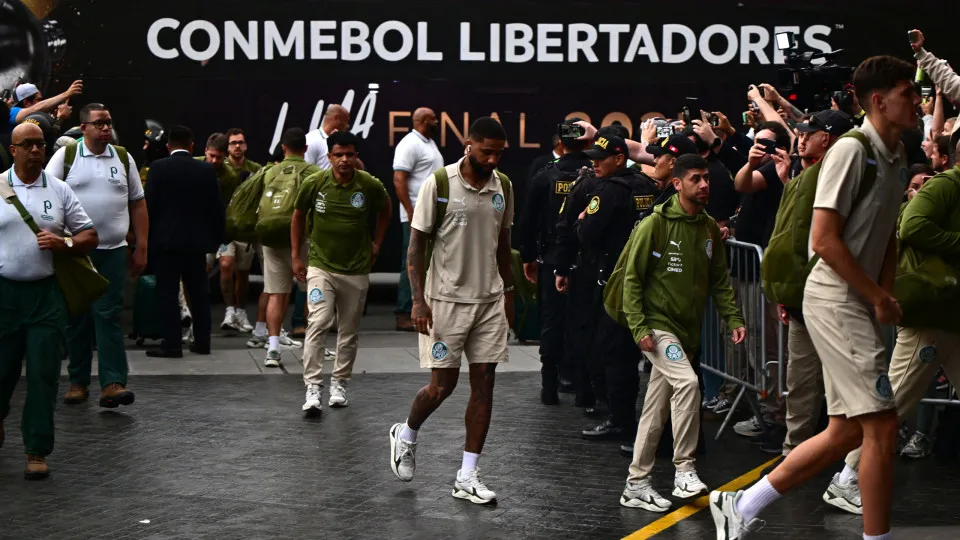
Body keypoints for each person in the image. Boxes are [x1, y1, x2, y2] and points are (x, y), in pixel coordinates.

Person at [711, 55, 921, 540]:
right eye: (907, 92)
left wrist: (883, 295)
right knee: (882, 427)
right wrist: (877, 296)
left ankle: (741, 505)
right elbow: (823, 241)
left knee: (846, 430)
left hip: (855, 301)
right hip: (835, 300)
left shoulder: (895, 158)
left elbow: (886, 237)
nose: (916, 100)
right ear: (878, 100)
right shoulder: (852, 151)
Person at [388, 117, 514, 505]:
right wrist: (418, 300)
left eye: (499, 153)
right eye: (486, 151)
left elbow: (503, 243)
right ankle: (406, 433)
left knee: (485, 384)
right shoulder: (440, 184)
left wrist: (509, 294)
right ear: (468, 145)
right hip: (445, 302)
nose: (493, 159)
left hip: (489, 302)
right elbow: (416, 245)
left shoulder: (504, 186)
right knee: (442, 387)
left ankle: (467, 475)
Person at [618, 154, 745, 511]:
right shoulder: (654, 224)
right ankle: (685, 470)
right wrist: (639, 326)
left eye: (707, 178)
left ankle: (636, 483)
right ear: (677, 184)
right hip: (658, 327)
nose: (704, 185)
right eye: (695, 179)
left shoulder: (708, 228)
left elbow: (719, 280)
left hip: (687, 332)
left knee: (655, 410)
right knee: (688, 384)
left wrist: (733, 318)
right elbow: (631, 279)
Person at [0, 122, 98, 479]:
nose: (36, 150)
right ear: (13, 150)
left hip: (46, 296)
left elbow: (90, 235)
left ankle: (36, 450)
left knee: (43, 375)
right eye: (28, 144)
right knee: (3, 371)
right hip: (5, 296)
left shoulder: (58, 189)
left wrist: (64, 243)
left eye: (40, 144)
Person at [578, 133, 684, 443]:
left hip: (616, 280)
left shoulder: (608, 190)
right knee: (634, 353)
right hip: (645, 279)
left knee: (615, 352)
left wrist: (582, 220)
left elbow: (588, 232)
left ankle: (620, 420)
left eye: (601, 158)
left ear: (619, 159)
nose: (595, 164)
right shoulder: (646, 186)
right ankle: (643, 423)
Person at [45, 103, 147, 407]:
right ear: (84, 127)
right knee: (77, 317)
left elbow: (138, 203)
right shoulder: (66, 157)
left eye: (109, 123)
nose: (106, 128)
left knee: (108, 315)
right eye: (99, 123)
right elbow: (46, 196)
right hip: (75, 254)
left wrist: (142, 246)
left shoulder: (123, 157)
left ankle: (113, 383)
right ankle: (78, 382)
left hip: (113, 252)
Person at [292, 131, 391, 411]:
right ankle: (313, 386)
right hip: (320, 266)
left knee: (348, 330)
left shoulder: (369, 184)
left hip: (356, 269)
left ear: (356, 156)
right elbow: (297, 216)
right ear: (329, 157)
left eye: (349, 154)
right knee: (318, 322)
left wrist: (377, 243)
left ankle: (339, 383)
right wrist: (295, 256)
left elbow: (386, 209)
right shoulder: (315, 183)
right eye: (338, 155)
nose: (344, 160)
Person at [517, 118, 592, 404]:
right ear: (587, 142)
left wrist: (527, 256)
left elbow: (527, 220)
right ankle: (583, 390)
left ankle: (549, 388)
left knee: (552, 322)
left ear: (560, 143)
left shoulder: (546, 174)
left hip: (552, 259)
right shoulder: (596, 174)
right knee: (584, 323)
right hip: (586, 261)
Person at [145, 125, 225, 358]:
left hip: (166, 242)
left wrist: (146, 240)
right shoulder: (205, 170)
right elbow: (216, 209)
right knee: (199, 293)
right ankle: (203, 341)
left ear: (168, 145)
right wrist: (215, 240)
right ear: (192, 146)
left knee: (168, 293)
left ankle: (172, 344)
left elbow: (149, 206)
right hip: (196, 243)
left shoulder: (158, 168)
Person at [258, 128, 320, 368]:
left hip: (272, 238)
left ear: (283, 148)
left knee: (276, 293)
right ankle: (312, 347)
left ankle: (273, 348)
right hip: (304, 239)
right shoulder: (314, 173)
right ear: (305, 149)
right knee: (313, 292)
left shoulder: (270, 172)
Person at [393, 107, 443, 332]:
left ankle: (423, 307)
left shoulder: (428, 143)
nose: (437, 122)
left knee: (426, 260)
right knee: (411, 262)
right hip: (415, 214)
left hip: (430, 213)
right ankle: (404, 312)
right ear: (423, 121)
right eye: (433, 119)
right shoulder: (409, 144)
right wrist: (410, 210)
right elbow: (399, 179)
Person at [199, 134, 253, 334]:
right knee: (197, 272)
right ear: (205, 151)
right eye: (211, 156)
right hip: (197, 229)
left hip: (223, 229)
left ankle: (233, 312)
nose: (214, 161)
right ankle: (193, 318)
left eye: (219, 158)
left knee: (230, 265)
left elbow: (230, 207)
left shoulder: (230, 176)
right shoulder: (195, 166)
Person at [305, 104, 350, 169]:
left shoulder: (341, 141)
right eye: (346, 122)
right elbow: (305, 171)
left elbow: (358, 167)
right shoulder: (311, 140)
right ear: (336, 118)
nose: (347, 126)